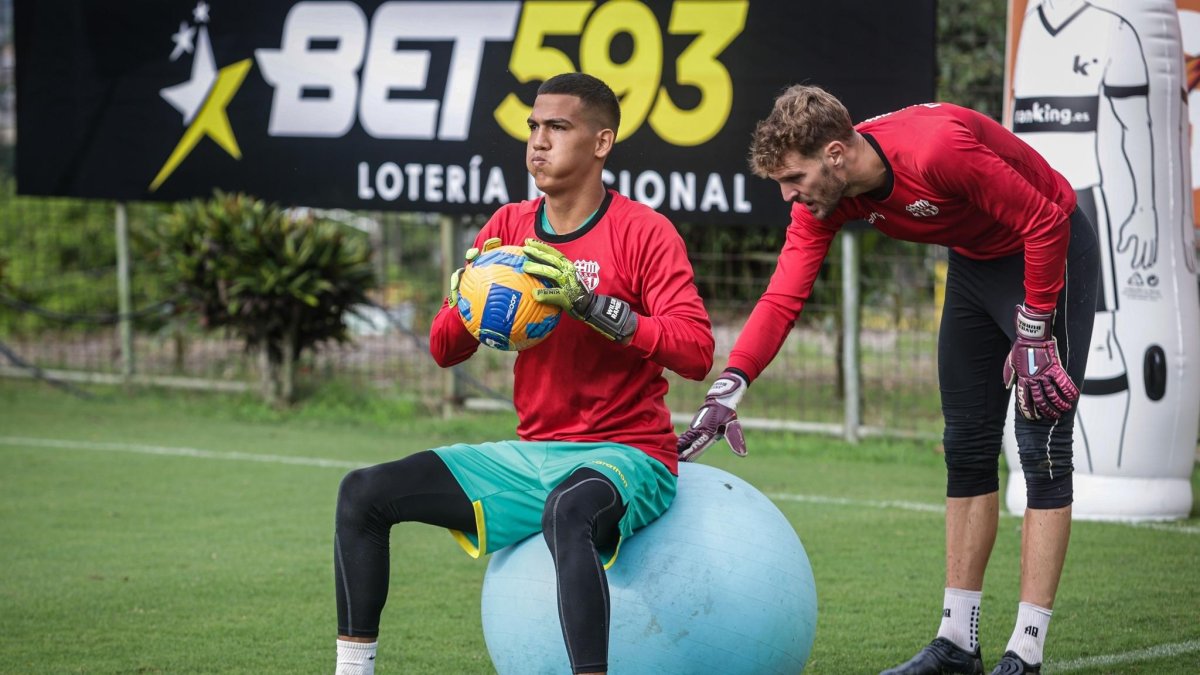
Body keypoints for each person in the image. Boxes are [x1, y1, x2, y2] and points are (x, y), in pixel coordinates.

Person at [677, 85, 1099, 675]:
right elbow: (783, 295)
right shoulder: (827, 199)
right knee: (967, 448)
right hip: (976, 269)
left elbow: (1046, 221)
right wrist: (730, 386)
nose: (788, 195)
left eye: (793, 177)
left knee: (1042, 448)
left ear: (835, 155)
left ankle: (1025, 652)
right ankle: (957, 643)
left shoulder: (935, 150)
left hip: (1048, 254)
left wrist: (1033, 330)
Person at [332, 72, 714, 675]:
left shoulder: (645, 231)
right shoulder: (507, 229)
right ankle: (352, 671)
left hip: (630, 455)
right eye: (533, 127)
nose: (538, 141)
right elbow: (442, 350)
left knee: (568, 509)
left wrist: (596, 310)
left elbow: (695, 350)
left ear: (601, 142)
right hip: (534, 455)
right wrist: (468, 301)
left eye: (558, 127)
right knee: (363, 493)